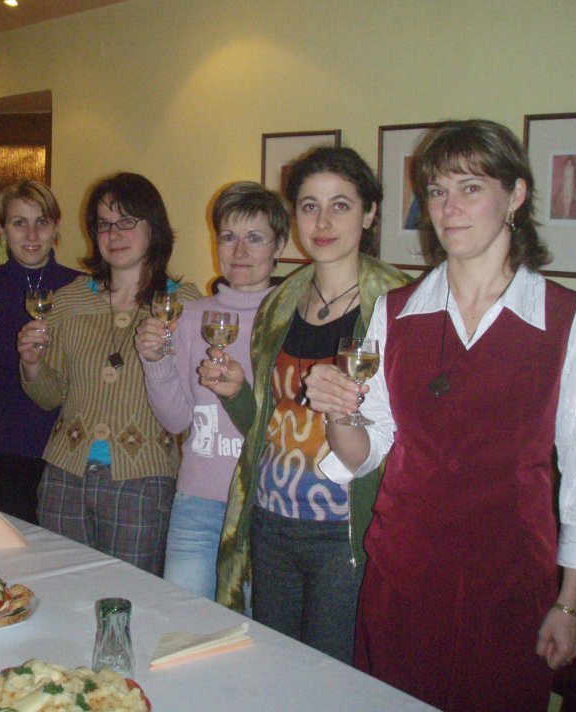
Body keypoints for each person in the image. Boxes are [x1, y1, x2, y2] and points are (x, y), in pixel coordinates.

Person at [304, 120, 576, 709]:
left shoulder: (570, 319)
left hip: (509, 586)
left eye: (470, 188)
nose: (449, 208)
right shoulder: (396, 312)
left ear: (515, 195)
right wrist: (339, 412)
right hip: (401, 577)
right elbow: (367, 452)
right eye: (437, 191)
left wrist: (571, 604)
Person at [200, 147, 410, 662]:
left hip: (344, 531)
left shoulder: (398, 304)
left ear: (369, 214)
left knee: (331, 677)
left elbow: (408, 437)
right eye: (310, 206)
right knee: (275, 668)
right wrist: (236, 394)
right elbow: (267, 426)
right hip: (270, 520)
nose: (322, 222)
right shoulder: (280, 301)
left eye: (341, 205)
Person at [18, 172, 201, 575]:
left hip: (143, 482)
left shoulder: (183, 306)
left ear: (153, 226)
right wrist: (31, 365)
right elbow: (50, 396)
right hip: (64, 475)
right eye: (103, 224)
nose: (114, 234)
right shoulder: (68, 300)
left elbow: (193, 404)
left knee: (128, 594)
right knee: (63, 589)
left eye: (126, 221)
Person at [134, 181, 289, 600]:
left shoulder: (291, 320)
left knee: (255, 629)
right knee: (184, 621)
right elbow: (175, 420)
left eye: (254, 238)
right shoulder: (189, 316)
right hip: (197, 502)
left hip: (264, 505)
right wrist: (154, 360)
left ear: (279, 246)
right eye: (228, 237)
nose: (239, 251)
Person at [0, 181, 81, 523]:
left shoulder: (79, 290)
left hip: (59, 457)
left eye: (42, 222)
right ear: (2, 229)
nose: (32, 234)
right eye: (19, 223)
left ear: (56, 226)